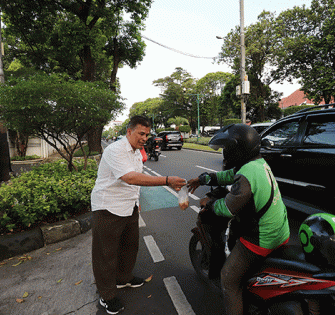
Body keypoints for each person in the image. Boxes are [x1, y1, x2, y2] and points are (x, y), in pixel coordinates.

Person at [187, 124, 290, 315]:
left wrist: (207, 203)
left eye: (228, 148)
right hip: (280, 230)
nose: (225, 152)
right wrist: (203, 179)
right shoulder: (256, 164)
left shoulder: (247, 175)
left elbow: (226, 208)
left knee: (228, 278)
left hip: (261, 238)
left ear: (237, 149)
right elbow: (228, 175)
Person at [91, 115, 186, 314]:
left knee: (130, 246)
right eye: (141, 133)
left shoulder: (136, 152)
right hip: (108, 208)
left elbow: (137, 181)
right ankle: (107, 296)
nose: (144, 138)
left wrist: (137, 202)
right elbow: (131, 177)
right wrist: (166, 180)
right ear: (129, 131)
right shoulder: (115, 150)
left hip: (129, 206)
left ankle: (123, 278)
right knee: (105, 254)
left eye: (147, 134)